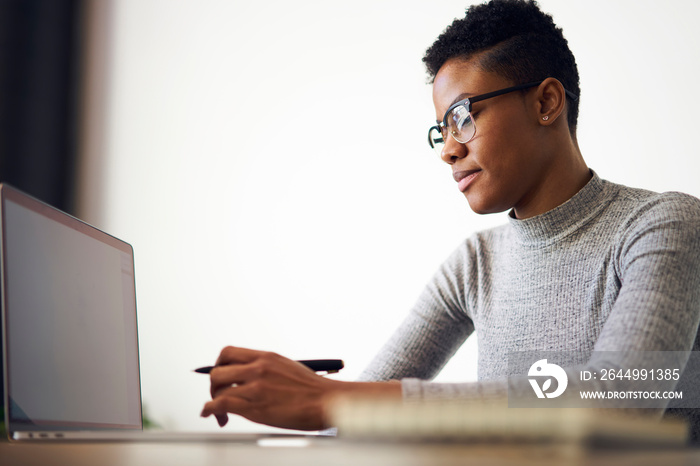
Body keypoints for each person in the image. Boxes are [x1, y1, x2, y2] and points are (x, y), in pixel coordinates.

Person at [200, 0, 700, 440]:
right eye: (442, 129)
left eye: (463, 116)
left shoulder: (663, 225)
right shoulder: (474, 264)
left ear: (546, 102)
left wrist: (335, 400)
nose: (449, 150)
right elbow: (350, 413)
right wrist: (308, 391)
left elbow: (617, 402)